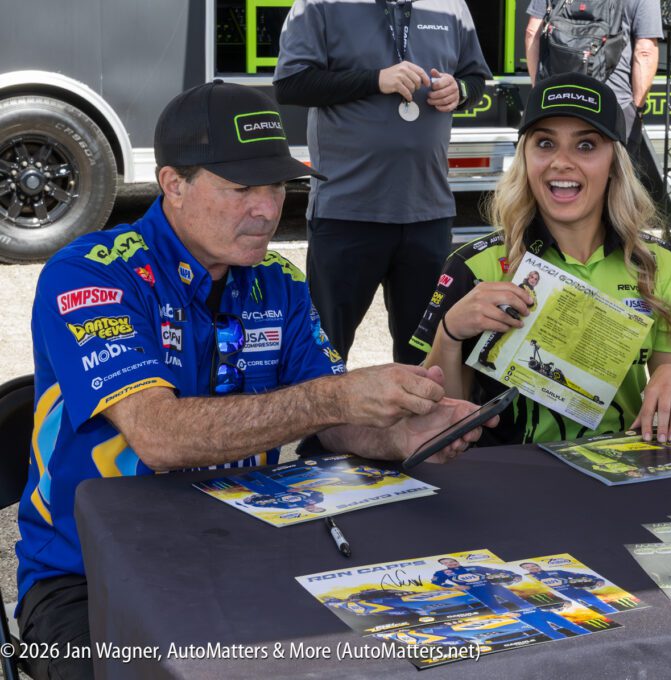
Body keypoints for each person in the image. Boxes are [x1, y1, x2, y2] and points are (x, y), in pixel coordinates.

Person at [14, 81, 494, 680]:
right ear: (173, 185)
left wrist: (404, 435)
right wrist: (337, 396)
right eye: (242, 188)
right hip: (86, 579)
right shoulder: (89, 274)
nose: (267, 209)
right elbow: (160, 437)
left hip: (241, 551)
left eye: (275, 185)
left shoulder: (277, 279)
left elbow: (337, 424)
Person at [410, 72, 671, 446]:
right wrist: (450, 333)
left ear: (615, 162)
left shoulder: (658, 265)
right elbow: (437, 424)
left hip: (620, 474)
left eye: (585, 146)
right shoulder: (474, 266)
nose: (562, 162)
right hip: (507, 478)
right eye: (545, 143)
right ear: (525, 157)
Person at [273, 0, 491, 365]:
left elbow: (476, 79)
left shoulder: (451, 6)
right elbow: (291, 84)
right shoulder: (320, 5)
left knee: (423, 358)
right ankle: (325, 424)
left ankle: (415, 424)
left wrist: (460, 91)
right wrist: (376, 79)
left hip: (427, 212)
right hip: (347, 211)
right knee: (325, 352)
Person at [524, 0, 665, 198]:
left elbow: (532, 32)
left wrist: (540, 91)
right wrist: (637, 106)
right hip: (614, 104)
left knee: (553, 186)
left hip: (557, 100)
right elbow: (645, 50)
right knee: (616, 190)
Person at [477, 270, 539, 370]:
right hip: (508, 314)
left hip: (516, 320)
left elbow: (534, 306)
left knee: (501, 341)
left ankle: (490, 359)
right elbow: (527, 302)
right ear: (528, 277)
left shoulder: (533, 292)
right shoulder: (523, 286)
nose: (533, 280)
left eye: (536, 279)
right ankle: (482, 357)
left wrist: (531, 302)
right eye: (532, 277)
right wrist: (530, 302)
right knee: (495, 337)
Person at [430, 558, 532, 614]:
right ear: (444, 565)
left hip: (491, 585)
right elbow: (436, 582)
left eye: (452, 561)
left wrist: (515, 575)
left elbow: (495, 571)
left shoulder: (474, 567)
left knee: (518, 600)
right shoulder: (442, 572)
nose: (451, 563)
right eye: (446, 563)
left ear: (457, 561)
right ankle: (512, 620)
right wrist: (453, 587)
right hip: (474, 590)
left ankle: (531, 612)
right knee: (495, 606)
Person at [520, 562, 616, 615]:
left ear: (538, 565)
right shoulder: (527, 579)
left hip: (576, 591)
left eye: (533, 566)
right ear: (525, 570)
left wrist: (598, 580)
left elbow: (580, 575)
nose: (532, 568)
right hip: (557, 600)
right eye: (527, 567)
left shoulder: (557, 571)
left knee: (603, 606)